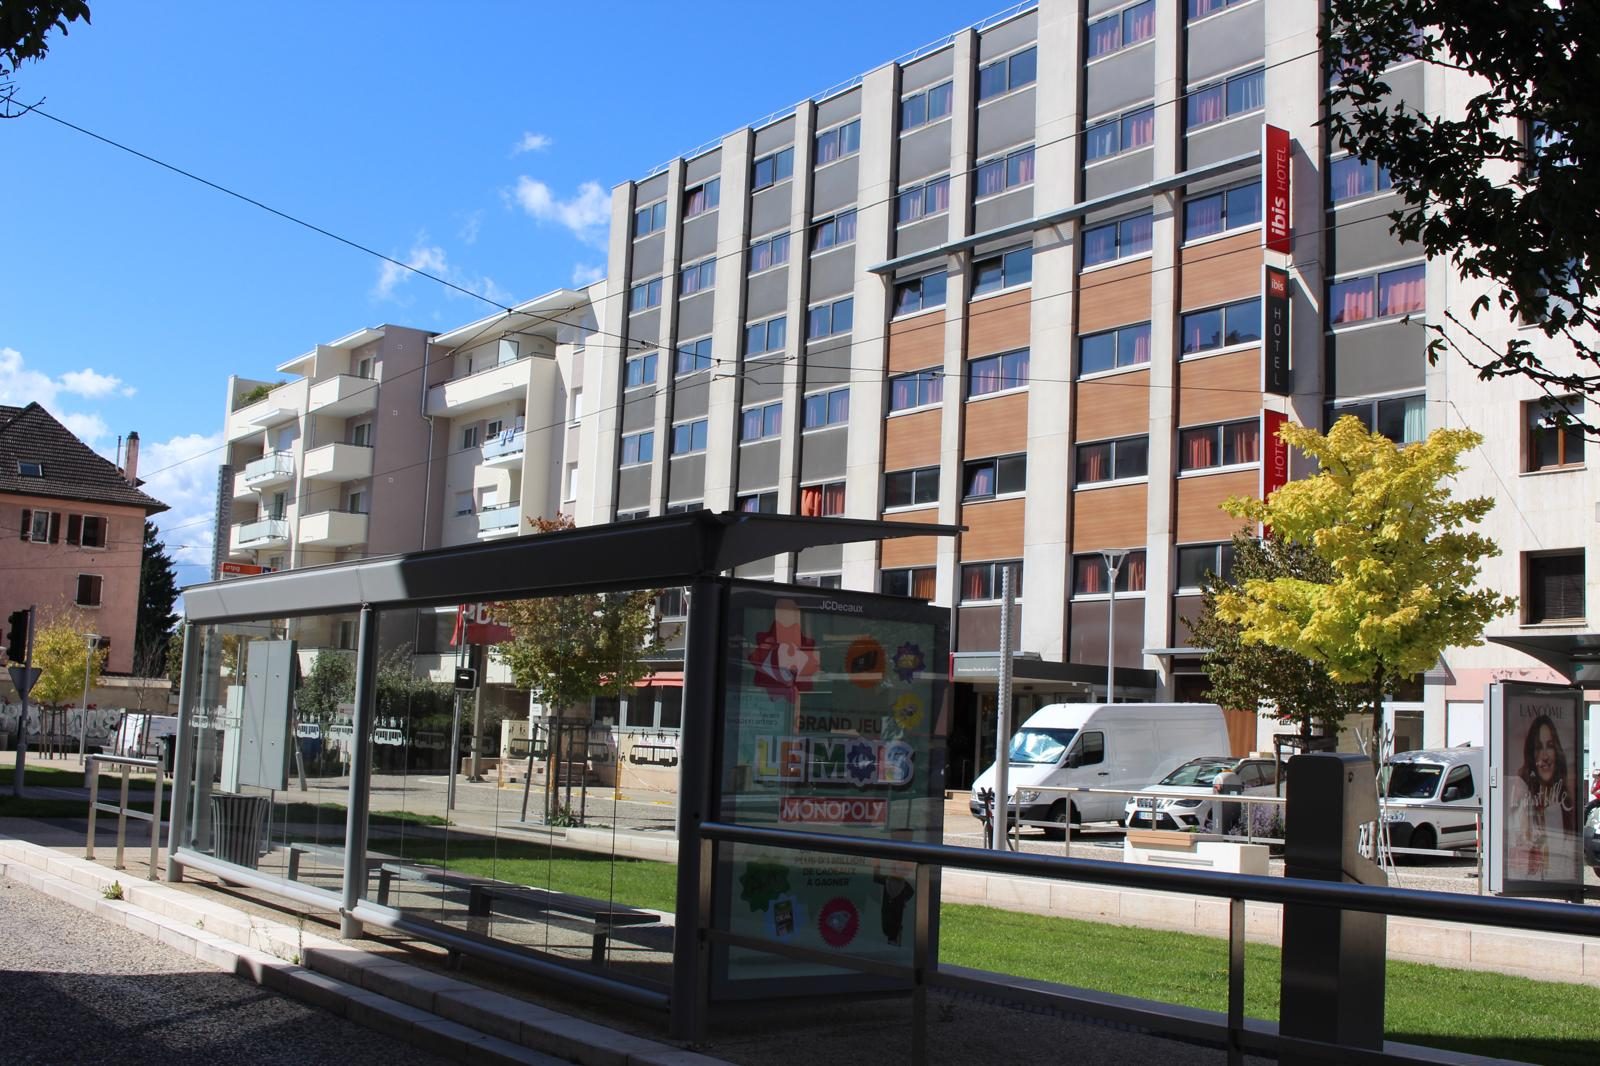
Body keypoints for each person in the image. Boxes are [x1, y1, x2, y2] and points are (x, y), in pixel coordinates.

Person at [1506, 714, 1578, 880]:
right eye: (1538, 747)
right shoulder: (1521, 797)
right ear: (1531, 754)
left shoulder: (1564, 803)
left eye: (1550, 746)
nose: (1545, 756)